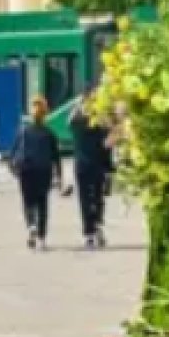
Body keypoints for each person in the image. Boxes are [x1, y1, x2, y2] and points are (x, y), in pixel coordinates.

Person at [11, 96, 62, 249]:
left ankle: (31, 225)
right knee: (42, 203)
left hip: (26, 170)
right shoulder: (49, 133)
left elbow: (13, 151)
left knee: (28, 201)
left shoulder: (23, 131)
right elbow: (56, 156)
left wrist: (12, 168)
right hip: (44, 170)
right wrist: (59, 176)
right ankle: (42, 236)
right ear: (45, 113)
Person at [70, 98, 112, 248]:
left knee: (85, 199)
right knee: (98, 197)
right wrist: (109, 168)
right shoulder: (102, 126)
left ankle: (88, 233)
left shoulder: (76, 124)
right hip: (98, 165)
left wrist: (78, 105)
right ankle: (98, 225)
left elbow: (70, 118)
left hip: (81, 166)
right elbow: (107, 147)